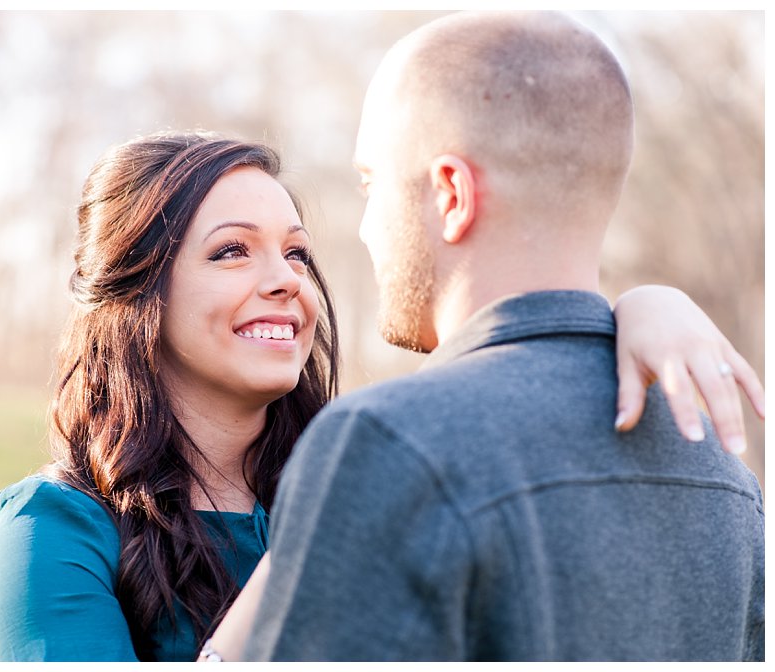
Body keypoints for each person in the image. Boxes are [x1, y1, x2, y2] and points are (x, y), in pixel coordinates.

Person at [0, 127, 762, 661]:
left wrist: (642, 304)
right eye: (231, 252)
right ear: (135, 292)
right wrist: (318, 530)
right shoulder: (51, 531)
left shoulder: (385, 479)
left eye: (295, 251)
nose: (286, 279)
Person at [237, 11, 765, 662]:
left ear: (452, 194)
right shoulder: (729, 483)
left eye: (372, 184)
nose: (365, 227)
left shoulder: (386, 443)